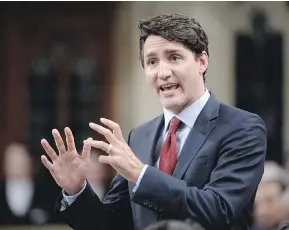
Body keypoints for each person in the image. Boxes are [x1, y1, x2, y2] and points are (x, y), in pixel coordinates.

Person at [40, 14, 267, 230]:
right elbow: (112, 225)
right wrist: (76, 190)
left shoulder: (243, 127)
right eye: (152, 62)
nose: (163, 72)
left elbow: (219, 210)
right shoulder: (139, 137)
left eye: (174, 57)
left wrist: (141, 174)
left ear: (202, 61)